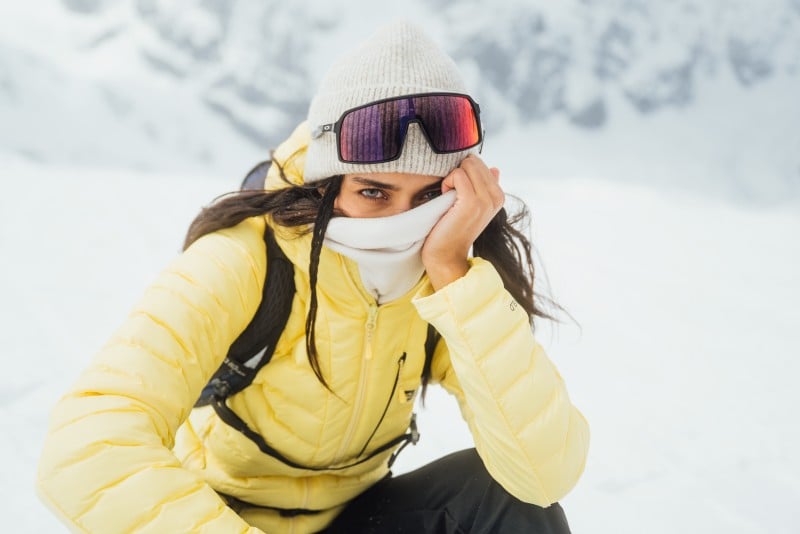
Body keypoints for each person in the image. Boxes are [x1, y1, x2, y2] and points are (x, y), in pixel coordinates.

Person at [37, 21, 589, 533]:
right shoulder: (245, 261)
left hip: (355, 517)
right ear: (326, 186)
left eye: (428, 198)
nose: (402, 223)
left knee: (506, 500)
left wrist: (454, 275)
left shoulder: (443, 276)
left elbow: (544, 476)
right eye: (373, 193)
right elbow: (86, 449)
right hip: (222, 516)